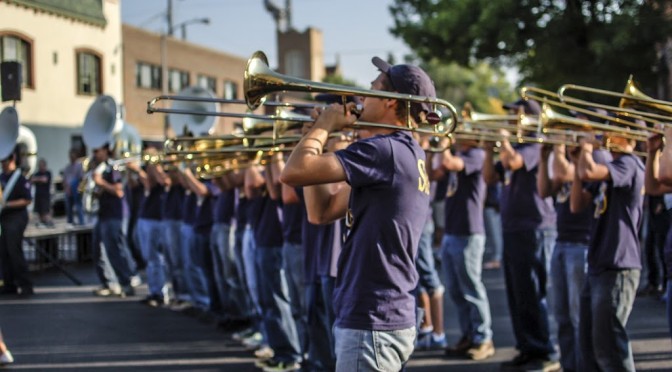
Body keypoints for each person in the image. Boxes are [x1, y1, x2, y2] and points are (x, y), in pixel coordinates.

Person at [281, 56, 434, 371]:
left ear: (391, 101)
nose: (364, 95)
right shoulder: (403, 152)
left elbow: (293, 172)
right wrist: (316, 138)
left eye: (374, 88)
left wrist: (323, 126)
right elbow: (320, 212)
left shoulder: (386, 150)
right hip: (378, 314)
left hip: (372, 319)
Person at [482, 99, 559, 371]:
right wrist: (486, 150)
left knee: (533, 291)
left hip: (534, 227)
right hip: (513, 227)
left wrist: (503, 143)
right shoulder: (515, 147)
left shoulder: (534, 147)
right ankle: (527, 347)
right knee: (517, 294)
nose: (511, 120)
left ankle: (545, 351)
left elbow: (513, 162)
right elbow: (490, 178)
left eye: (516, 115)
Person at [572, 129, 644, 372]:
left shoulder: (629, 163)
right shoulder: (611, 167)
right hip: (598, 263)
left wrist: (586, 149)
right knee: (589, 347)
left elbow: (589, 171)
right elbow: (576, 203)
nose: (603, 133)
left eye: (612, 129)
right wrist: (576, 162)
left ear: (626, 135)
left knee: (610, 347)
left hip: (618, 263)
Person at [537, 140, 611, 372]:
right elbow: (544, 189)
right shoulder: (572, 161)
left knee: (579, 317)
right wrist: (542, 158)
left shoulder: (597, 158)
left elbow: (563, 172)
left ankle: (584, 367)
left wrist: (558, 150)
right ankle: (569, 365)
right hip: (561, 242)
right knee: (561, 316)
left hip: (581, 244)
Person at [430, 136, 494, 360]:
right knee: (457, 291)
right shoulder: (460, 156)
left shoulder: (476, 155)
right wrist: (430, 150)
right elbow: (433, 174)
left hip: (469, 231)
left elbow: (448, 164)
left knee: (471, 288)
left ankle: (484, 338)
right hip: (452, 231)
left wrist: (443, 142)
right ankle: (469, 335)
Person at [90, 144, 135, 297]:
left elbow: (118, 191)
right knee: (98, 251)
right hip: (103, 213)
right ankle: (108, 283)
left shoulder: (113, 168)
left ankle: (126, 282)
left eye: (97, 150)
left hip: (115, 214)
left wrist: (100, 182)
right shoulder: (100, 169)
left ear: (106, 150)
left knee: (114, 250)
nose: (94, 154)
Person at [0, 151, 33, 296]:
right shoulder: (1, 177)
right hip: (4, 218)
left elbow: (26, 199)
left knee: (14, 251)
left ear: (12, 159)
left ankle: (26, 285)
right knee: (3, 252)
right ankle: (9, 284)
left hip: (16, 217)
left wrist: (7, 204)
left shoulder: (19, 178)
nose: (3, 163)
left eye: (5, 160)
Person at [62, 149, 84, 226]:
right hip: (68, 190)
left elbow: (81, 178)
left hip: (76, 189)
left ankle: (81, 222)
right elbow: (64, 179)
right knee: (69, 208)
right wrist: (67, 188)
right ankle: (70, 222)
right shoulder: (67, 167)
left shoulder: (79, 166)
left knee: (78, 206)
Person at [31, 158, 54, 227]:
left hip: (45, 196)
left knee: (46, 211)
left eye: (41, 165)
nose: (40, 167)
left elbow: (45, 180)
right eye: (39, 165)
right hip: (38, 196)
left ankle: (49, 223)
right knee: (39, 212)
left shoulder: (48, 173)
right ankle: (43, 223)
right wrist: (39, 179)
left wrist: (37, 179)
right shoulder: (37, 173)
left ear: (44, 165)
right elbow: (32, 180)